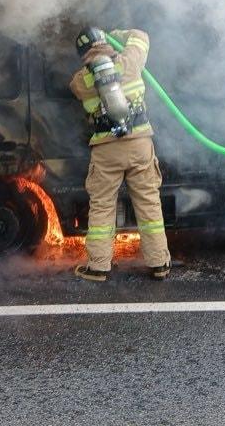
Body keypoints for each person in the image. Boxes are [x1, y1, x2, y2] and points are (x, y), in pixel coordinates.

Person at [69, 26, 171, 282]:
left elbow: (76, 87)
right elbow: (142, 36)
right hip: (139, 144)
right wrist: (118, 33)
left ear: (82, 53)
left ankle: (99, 266)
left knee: (103, 206)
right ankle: (159, 263)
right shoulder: (130, 60)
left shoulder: (81, 81)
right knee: (148, 202)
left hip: (106, 149)